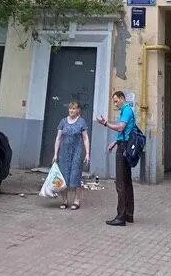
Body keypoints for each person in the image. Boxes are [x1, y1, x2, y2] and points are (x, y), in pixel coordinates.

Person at [97, 90, 136, 226]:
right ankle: (129, 214)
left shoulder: (126, 111)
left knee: (120, 183)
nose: (115, 104)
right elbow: (127, 131)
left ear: (122, 98)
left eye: (116, 101)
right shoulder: (128, 110)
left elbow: (121, 128)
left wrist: (105, 124)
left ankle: (121, 217)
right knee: (127, 182)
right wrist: (115, 142)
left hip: (123, 149)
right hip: (124, 145)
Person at [52, 100, 91, 211]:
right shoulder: (63, 121)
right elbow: (58, 138)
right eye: (70, 108)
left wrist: (87, 153)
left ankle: (76, 201)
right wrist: (55, 154)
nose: (71, 110)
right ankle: (64, 201)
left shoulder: (81, 122)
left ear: (78, 110)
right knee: (63, 177)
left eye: (73, 108)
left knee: (75, 177)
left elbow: (85, 138)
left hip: (76, 153)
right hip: (64, 154)